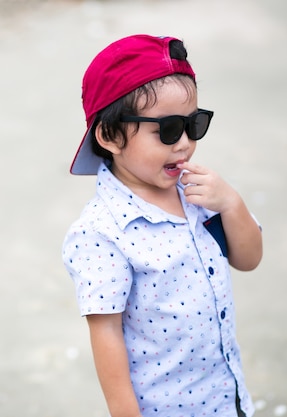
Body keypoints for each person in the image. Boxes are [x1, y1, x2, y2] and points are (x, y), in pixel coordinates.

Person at [61, 34, 263, 417]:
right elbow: (106, 335)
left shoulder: (198, 193)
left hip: (225, 396)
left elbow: (249, 258)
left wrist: (232, 204)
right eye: (168, 130)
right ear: (110, 136)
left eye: (194, 124)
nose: (184, 143)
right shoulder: (102, 232)